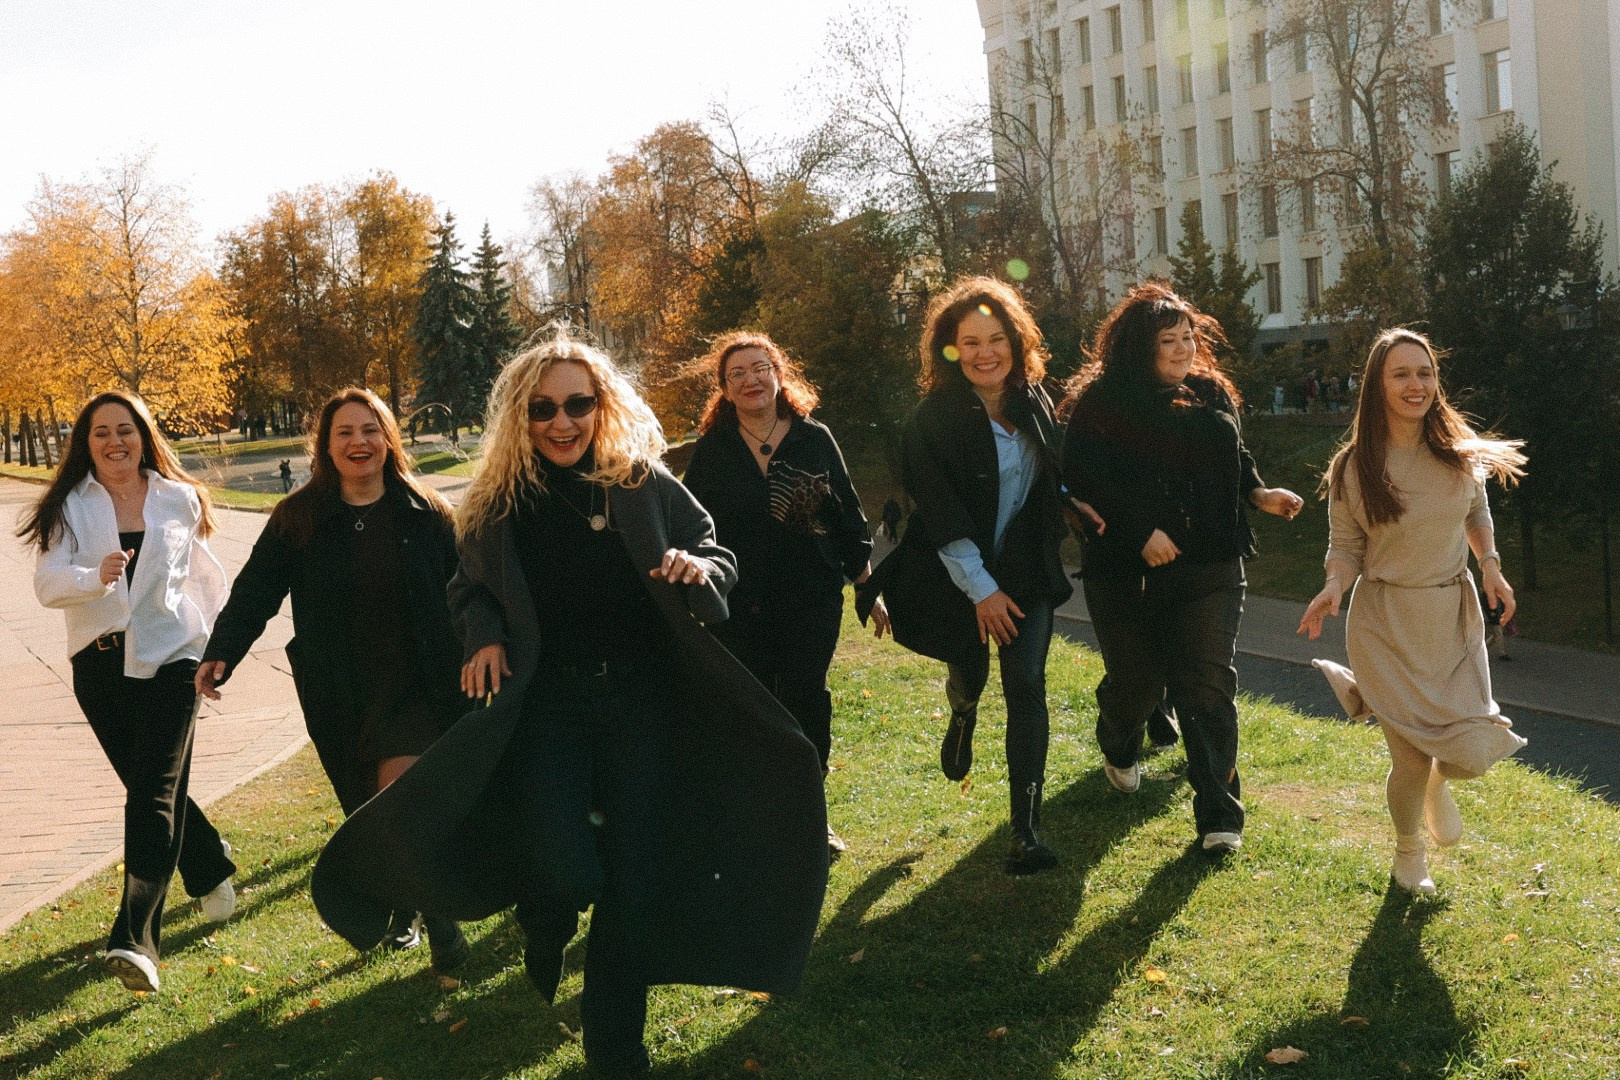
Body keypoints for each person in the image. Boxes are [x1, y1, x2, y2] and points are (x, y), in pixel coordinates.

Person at [307, 333, 828, 1077]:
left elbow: (711, 543)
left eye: (577, 404)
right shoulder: (498, 501)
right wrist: (483, 635)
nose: (562, 422)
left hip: (642, 700)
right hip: (547, 707)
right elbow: (469, 587)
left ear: (600, 405)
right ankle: (545, 916)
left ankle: (616, 1054)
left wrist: (697, 567)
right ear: (522, 414)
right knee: (565, 871)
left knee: (629, 882)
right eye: (544, 407)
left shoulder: (638, 481)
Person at [195, 388, 469, 970]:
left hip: (418, 684)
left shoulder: (428, 512)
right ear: (326, 445)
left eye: (370, 429)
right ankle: (404, 909)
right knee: (368, 811)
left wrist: (488, 648)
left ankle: (442, 923)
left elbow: (466, 592)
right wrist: (223, 651)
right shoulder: (298, 517)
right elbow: (256, 592)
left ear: (388, 438)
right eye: (344, 432)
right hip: (340, 690)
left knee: (402, 801)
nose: (358, 442)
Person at [1062, 283, 1302, 855]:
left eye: (1188, 337)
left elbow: (1231, 456)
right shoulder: (1101, 404)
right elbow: (1081, 484)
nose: (1182, 349)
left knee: (1207, 684)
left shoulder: (1211, 393)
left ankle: (1220, 815)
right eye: (1167, 340)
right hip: (1125, 571)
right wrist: (1138, 532)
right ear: (1137, 347)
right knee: (1138, 684)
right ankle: (1118, 740)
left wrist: (1259, 493)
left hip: (1211, 563)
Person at [20, 391, 237, 994]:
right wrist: (95, 577)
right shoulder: (70, 503)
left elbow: (205, 578)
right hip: (100, 665)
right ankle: (207, 860)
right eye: (100, 433)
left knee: (151, 794)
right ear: (84, 443)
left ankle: (135, 938)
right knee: (148, 786)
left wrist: (217, 656)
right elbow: (46, 583)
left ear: (144, 435)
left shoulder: (179, 498)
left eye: (126, 430)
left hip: (174, 658)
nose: (115, 442)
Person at [859, 276, 1077, 875]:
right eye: (971, 342)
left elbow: (1052, 474)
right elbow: (944, 514)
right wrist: (981, 591)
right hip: (954, 574)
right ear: (950, 350)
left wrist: (1077, 504)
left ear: (1016, 340)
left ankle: (1025, 832)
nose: (986, 353)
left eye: (996, 339)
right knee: (972, 665)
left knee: (1027, 688)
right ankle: (962, 708)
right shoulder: (933, 420)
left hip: (1026, 572)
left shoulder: (1034, 400)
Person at [1299, 328, 1527, 895]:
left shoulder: (1458, 450)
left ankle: (1435, 776)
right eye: (1400, 374)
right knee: (1408, 760)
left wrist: (1491, 566)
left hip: (1451, 616)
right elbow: (1347, 546)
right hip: (1384, 622)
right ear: (1377, 387)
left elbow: (1476, 510)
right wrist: (1333, 587)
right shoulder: (1356, 465)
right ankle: (1408, 856)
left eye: (1424, 373)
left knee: (1472, 754)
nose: (1415, 384)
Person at [681, 331, 874, 855]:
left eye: (760, 368)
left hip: (811, 598)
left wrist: (865, 583)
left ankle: (813, 816)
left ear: (779, 374)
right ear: (723, 389)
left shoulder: (814, 438)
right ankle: (765, 813)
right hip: (740, 605)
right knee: (759, 706)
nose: (751, 380)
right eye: (737, 374)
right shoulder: (714, 450)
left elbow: (848, 515)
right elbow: (690, 526)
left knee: (806, 698)